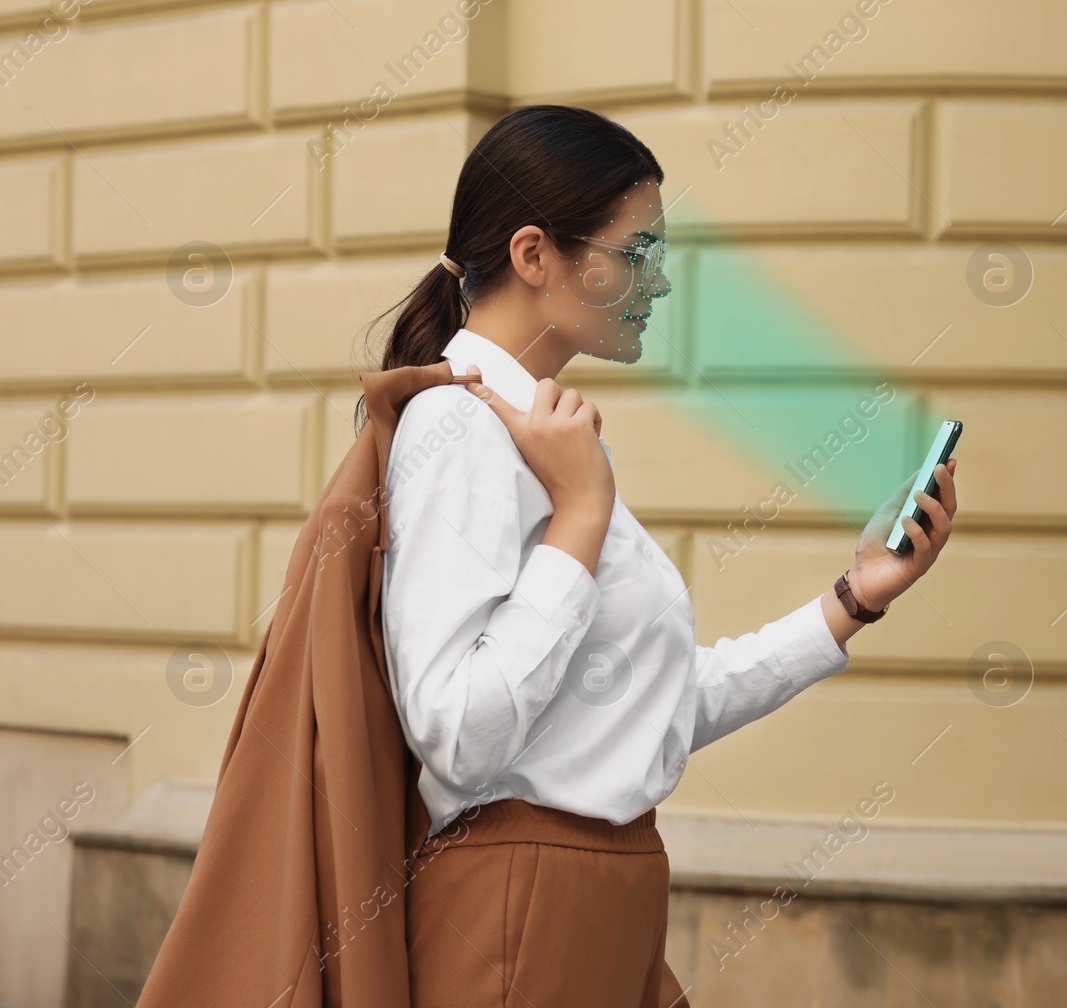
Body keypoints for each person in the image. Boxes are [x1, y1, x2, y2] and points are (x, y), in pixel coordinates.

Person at [368, 104, 958, 1007]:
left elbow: (649, 706)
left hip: (602, 899)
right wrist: (581, 517)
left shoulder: (530, 430)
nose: (661, 282)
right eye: (637, 251)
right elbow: (456, 734)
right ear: (535, 255)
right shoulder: (459, 428)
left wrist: (852, 597)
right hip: (525, 913)